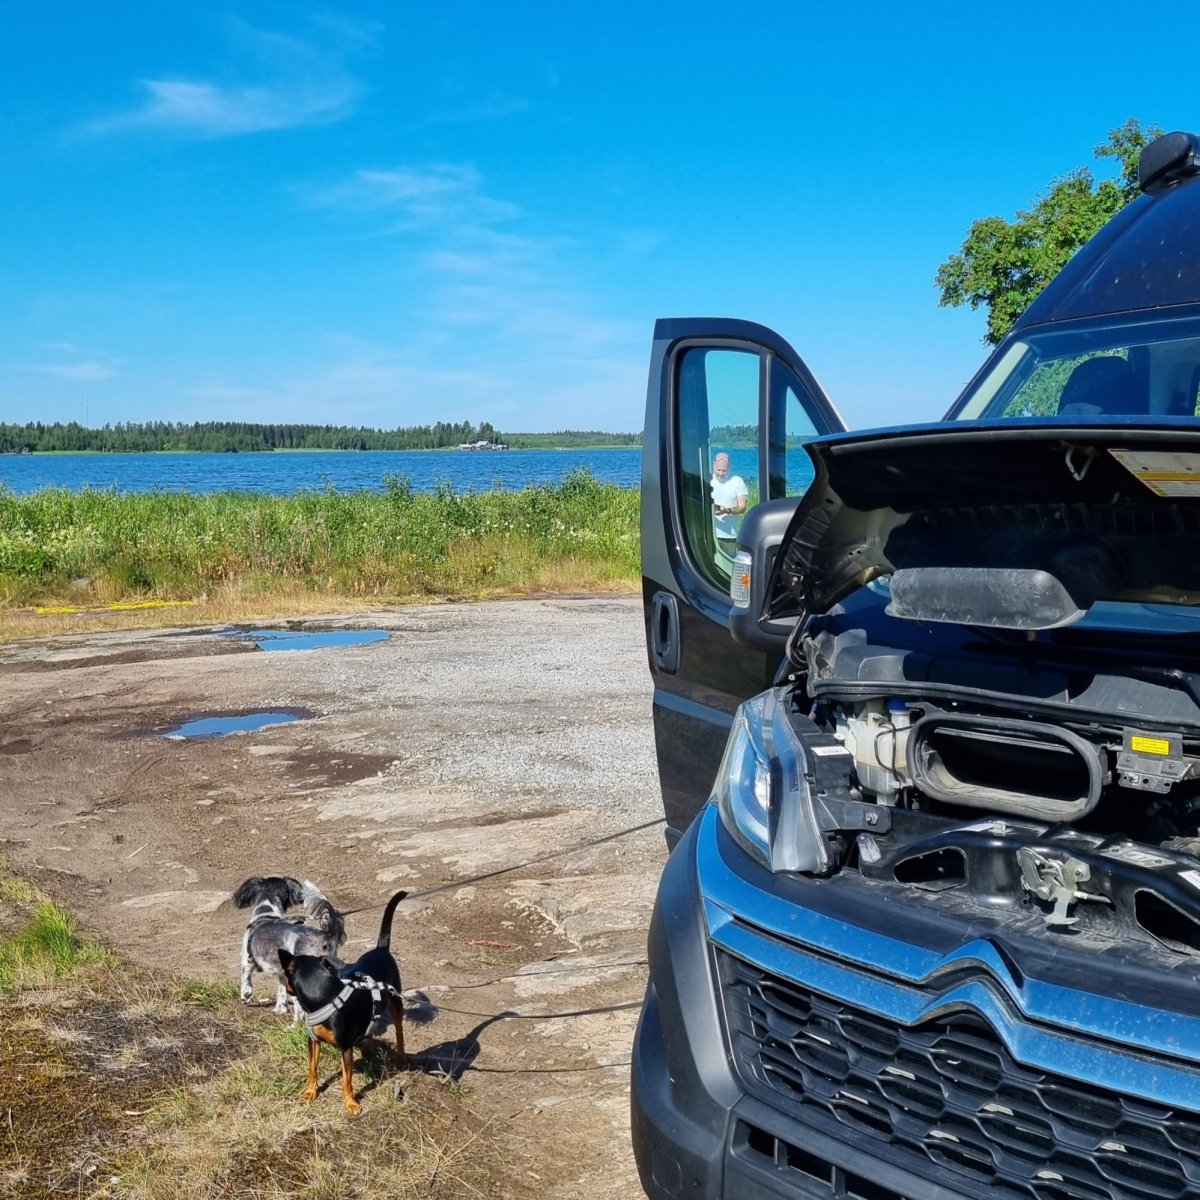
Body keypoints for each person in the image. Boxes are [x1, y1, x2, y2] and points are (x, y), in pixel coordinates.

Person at [710, 452, 748, 559]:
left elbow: (742, 506)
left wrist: (727, 510)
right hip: (710, 534)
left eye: (724, 471)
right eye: (718, 470)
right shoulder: (708, 480)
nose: (721, 473)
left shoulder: (737, 481)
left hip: (729, 536)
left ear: (729, 468)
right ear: (714, 465)